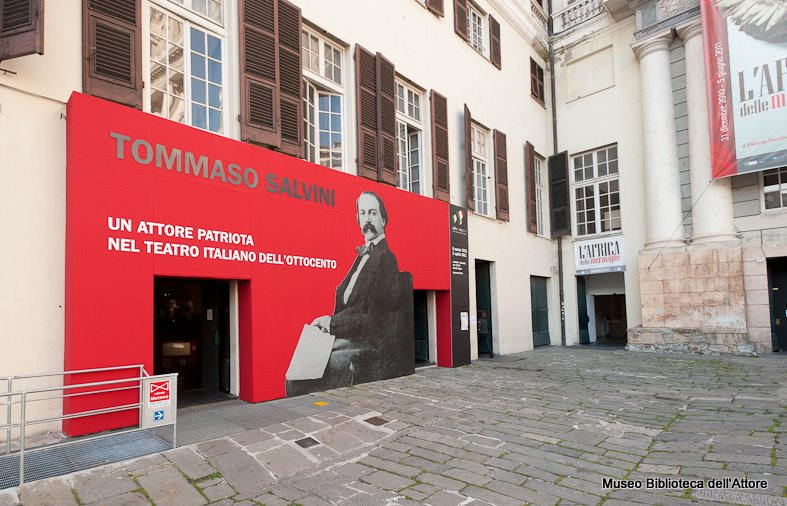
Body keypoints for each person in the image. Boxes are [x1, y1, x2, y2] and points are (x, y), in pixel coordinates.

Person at [286, 191, 413, 396]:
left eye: (373, 213)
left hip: (367, 344)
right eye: (363, 213)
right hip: (347, 336)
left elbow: (372, 315)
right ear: (358, 219)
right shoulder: (362, 256)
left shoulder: (386, 258)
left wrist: (331, 322)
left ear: (383, 220)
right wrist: (328, 324)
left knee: (301, 375)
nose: (367, 219)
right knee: (301, 362)